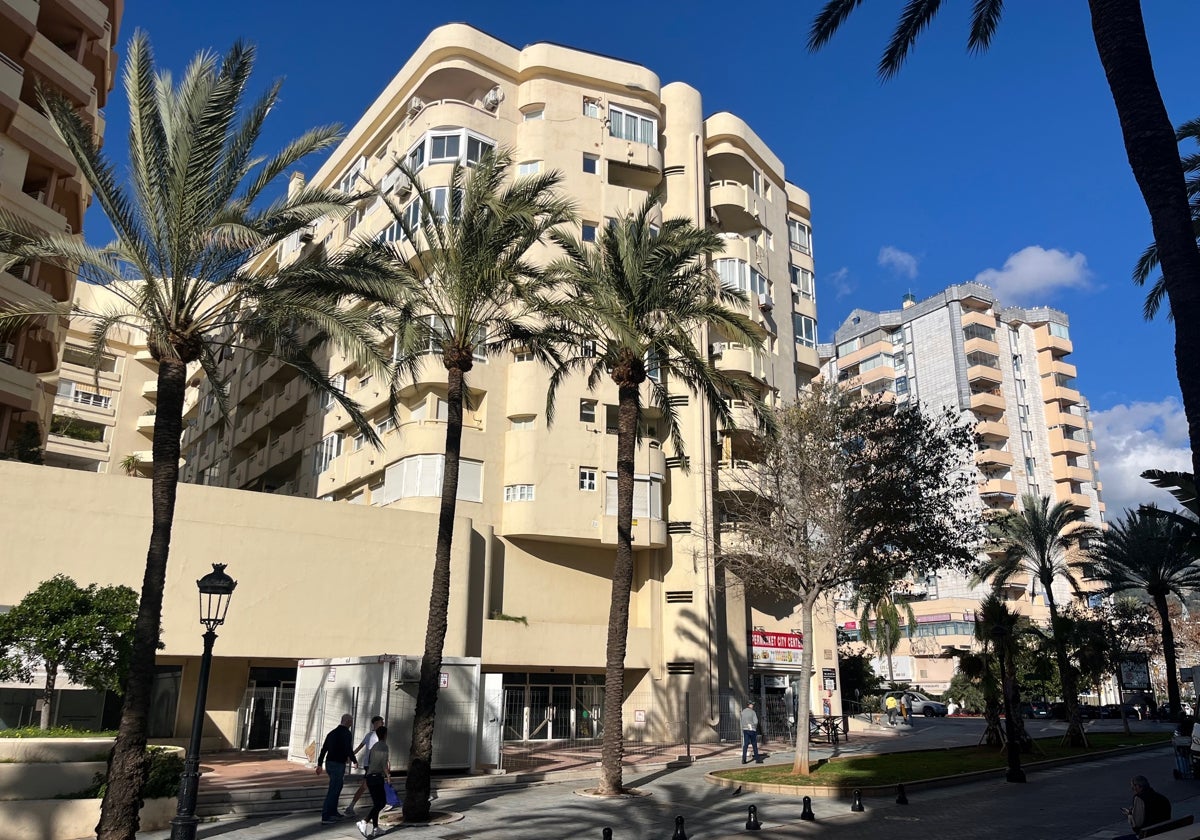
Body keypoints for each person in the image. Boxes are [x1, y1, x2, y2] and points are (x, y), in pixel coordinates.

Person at [316, 714, 358, 824]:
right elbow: (348, 748)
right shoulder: (346, 734)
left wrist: (320, 764)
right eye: (351, 721)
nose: (351, 723)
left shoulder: (331, 733)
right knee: (334, 789)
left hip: (329, 763)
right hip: (338, 764)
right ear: (347, 721)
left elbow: (324, 749)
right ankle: (326, 816)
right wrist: (354, 760)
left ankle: (333, 812)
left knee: (337, 788)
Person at [345, 716, 385, 816]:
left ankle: (384, 803)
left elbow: (359, 748)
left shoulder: (369, 735)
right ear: (376, 723)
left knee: (368, 785)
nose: (383, 724)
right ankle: (382, 804)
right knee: (367, 785)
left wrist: (351, 756)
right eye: (381, 722)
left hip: (369, 765)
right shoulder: (375, 736)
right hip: (373, 765)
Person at [356, 726, 391, 839]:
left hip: (370, 777)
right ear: (385, 735)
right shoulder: (384, 746)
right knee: (382, 803)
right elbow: (383, 763)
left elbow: (371, 761)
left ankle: (376, 828)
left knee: (376, 803)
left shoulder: (374, 746)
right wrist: (388, 776)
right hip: (377, 777)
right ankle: (364, 822)